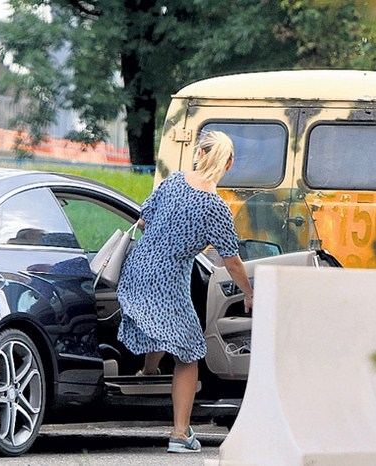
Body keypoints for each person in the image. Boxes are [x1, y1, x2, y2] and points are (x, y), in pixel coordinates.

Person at [116, 130, 254, 454]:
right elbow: (232, 261)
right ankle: (180, 434)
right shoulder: (215, 206)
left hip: (138, 268)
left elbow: (144, 220)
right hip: (167, 279)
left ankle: (149, 370)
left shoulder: (175, 181)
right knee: (190, 351)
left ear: (199, 153)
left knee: (164, 326)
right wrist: (248, 292)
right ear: (229, 164)